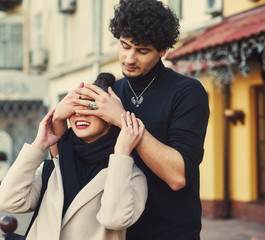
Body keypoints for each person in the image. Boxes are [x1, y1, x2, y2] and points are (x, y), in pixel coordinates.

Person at [60, 0, 210, 239]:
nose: (129, 58)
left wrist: (121, 119)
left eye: (142, 51)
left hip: (172, 231)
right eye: (124, 45)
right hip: (115, 230)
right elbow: (79, 158)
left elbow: (178, 176)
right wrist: (57, 121)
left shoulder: (187, 92)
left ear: (162, 51)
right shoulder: (111, 92)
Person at [0, 73, 148, 240]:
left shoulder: (130, 174)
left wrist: (121, 153)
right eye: (75, 108)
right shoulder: (54, 167)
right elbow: (7, 200)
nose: (80, 114)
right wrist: (39, 144)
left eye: (91, 107)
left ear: (110, 118)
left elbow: (114, 219)